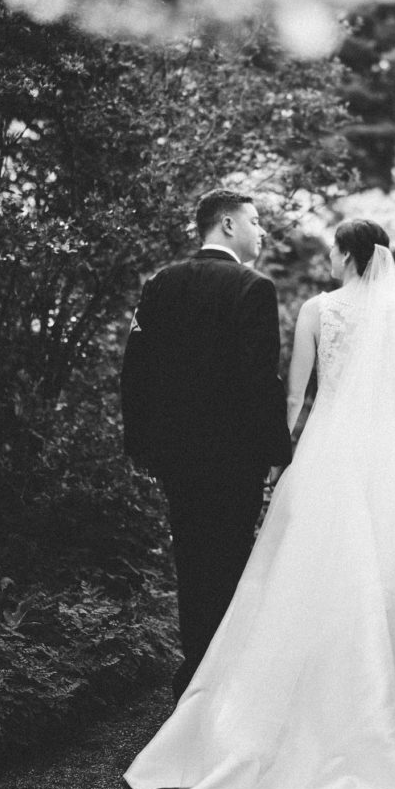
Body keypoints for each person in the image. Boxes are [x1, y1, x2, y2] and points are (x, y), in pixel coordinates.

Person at [123, 219, 395, 789]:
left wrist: (279, 459)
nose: (328, 257)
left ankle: (291, 699)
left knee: (305, 571)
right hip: (394, 450)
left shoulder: (316, 310)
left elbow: (292, 395)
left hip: (330, 448)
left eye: (333, 248)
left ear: (348, 253)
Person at [120, 189, 292, 705]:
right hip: (235, 458)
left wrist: (142, 446)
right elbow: (260, 379)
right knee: (233, 560)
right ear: (226, 223)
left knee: (190, 561)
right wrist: (277, 453)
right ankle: (223, 680)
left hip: (176, 455)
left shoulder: (162, 283)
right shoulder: (253, 287)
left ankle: (193, 675)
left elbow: (136, 369)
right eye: (256, 221)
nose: (262, 232)